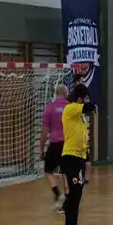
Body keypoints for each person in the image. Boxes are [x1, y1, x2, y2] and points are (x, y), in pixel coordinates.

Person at [59, 84, 95, 225]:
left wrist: (86, 159)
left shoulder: (80, 117)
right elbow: (90, 107)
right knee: (74, 197)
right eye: (85, 97)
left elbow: (82, 137)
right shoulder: (71, 108)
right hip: (70, 157)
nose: (87, 100)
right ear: (80, 98)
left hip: (78, 158)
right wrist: (89, 102)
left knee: (76, 196)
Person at [40, 84, 69, 212]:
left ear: (56, 93)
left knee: (48, 170)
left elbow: (44, 131)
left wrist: (41, 148)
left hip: (55, 144)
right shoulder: (70, 107)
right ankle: (67, 201)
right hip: (69, 144)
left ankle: (58, 194)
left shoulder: (50, 107)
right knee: (67, 173)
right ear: (66, 93)